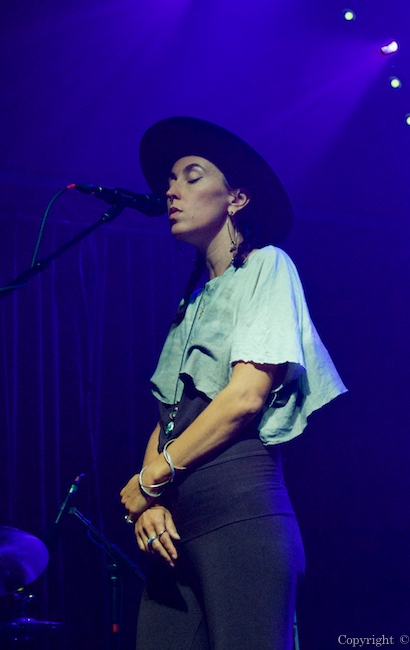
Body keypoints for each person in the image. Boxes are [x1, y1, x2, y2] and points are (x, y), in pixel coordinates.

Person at [120, 116, 346, 650]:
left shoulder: (268, 266)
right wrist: (152, 501)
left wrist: (151, 479)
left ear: (237, 198)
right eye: (170, 180)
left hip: (240, 515)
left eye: (191, 176)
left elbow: (246, 397)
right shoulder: (193, 299)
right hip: (177, 527)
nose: (171, 191)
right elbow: (169, 416)